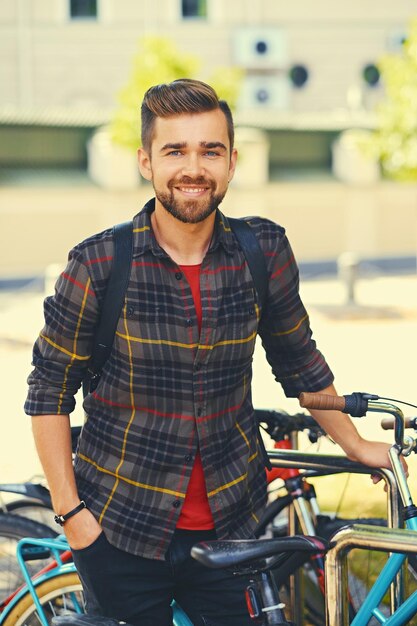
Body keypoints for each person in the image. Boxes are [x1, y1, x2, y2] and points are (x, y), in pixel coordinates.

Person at [25, 78, 394, 626]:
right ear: (146, 162)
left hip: (231, 530)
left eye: (210, 151)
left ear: (232, 162)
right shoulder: (99, 263)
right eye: (175, 150)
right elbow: (48, 392)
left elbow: (300, 363)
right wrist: (72, 514)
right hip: (118, 526)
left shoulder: (261, 250)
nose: (193, 168)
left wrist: (356, 443)